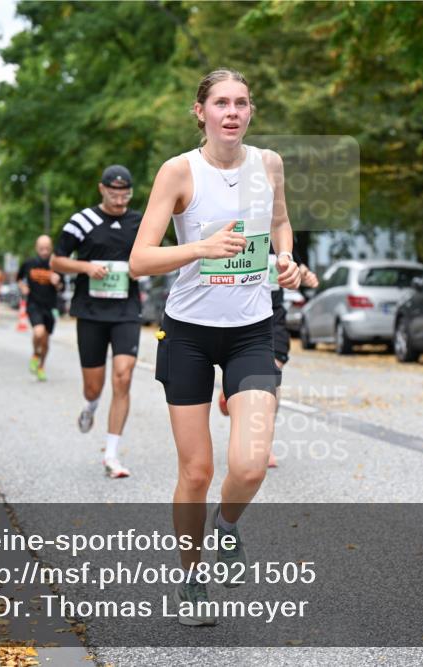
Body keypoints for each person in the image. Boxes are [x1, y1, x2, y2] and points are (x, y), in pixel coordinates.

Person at [129, 68, 301, 625]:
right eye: (221, 102)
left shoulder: (268, 164)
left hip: (252, 329)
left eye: (242, 103)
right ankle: (190, 577)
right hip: (188, 333)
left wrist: (285, 259)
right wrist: (200, 247)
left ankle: (226, 529)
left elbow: (280, 221)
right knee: (197, 470)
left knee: (250, 465)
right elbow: (140, 260)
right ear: (200, 111)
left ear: (251, 112)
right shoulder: (179, 172)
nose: (232, 112)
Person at [52, 165, 143, 479]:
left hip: (126, 310)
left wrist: (140, 269)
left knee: (123, 375)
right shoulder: (83, 220)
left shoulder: (139, 222)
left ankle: (111, 454)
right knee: (94, 386)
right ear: (101, 189)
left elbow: (155, 258)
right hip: (91, 312)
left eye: (125, 194)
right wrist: (86, 267)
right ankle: (91, 406)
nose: (120, 200)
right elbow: (56, 260)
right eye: (114, 193)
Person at [218, 254, 318, 469]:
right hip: (242, 318)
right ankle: (233, 392)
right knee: (251, 383)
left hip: (274, 318)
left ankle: (262, 444)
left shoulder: (280, 234)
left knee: (271, 378)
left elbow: (295, 264)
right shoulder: (243, 230)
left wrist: (304, 274)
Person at [18, 236, 62, 381]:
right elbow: (19, 279)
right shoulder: (29, 263)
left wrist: (57, 283)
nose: (44, 251)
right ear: (37, 248)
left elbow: (62, 288)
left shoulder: (56, 265)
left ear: (51, 248)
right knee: (38, 332)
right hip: (33, 304)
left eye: (47, 248)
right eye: (41, 248)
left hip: (50, 306)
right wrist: (23, 287)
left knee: (45, 341)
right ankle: (35, 354)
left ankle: (41, 366)